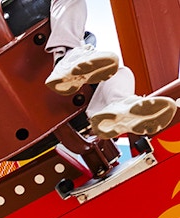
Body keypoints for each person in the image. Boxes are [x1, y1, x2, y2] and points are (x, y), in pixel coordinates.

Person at [44, 0, 177, 139]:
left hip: (63, 117)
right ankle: (66, 56)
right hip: (68, 110)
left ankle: (116, 107)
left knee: (122, 72)